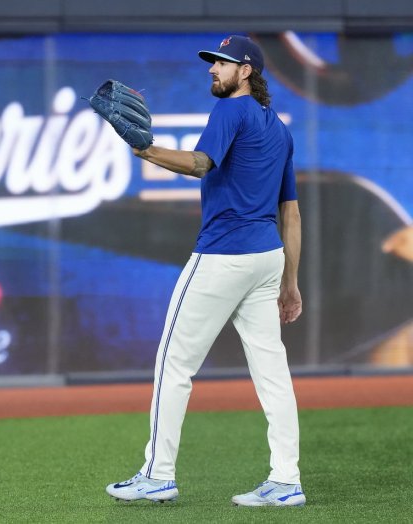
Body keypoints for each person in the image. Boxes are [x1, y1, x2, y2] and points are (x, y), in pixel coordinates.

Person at [105, 35, 305, 507]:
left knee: (174, 364)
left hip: (222, 255)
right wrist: (290, 281)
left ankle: (157, 474)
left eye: (224, 63)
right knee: (272, 371)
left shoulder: (230, 112)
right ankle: (286, 479)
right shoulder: (278, 127)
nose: (213, 69)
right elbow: (291, 214)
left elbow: (199, 164)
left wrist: (147, 150)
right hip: (266, 258)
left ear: (247, 72)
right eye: (213, 63)